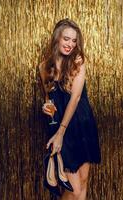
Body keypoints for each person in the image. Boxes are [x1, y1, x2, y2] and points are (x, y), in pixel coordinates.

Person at [38, 18, 101, 200]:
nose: (70, 44)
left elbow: (76, 98)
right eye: (66, 39)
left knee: (83, 181)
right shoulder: (44, 68)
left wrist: (61, 132)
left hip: (82, 124)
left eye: (74, 41)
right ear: (57, 38)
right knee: (72, 188)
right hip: (61, 129)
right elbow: (50, 100)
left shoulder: (78, 62)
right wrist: (47, 107)